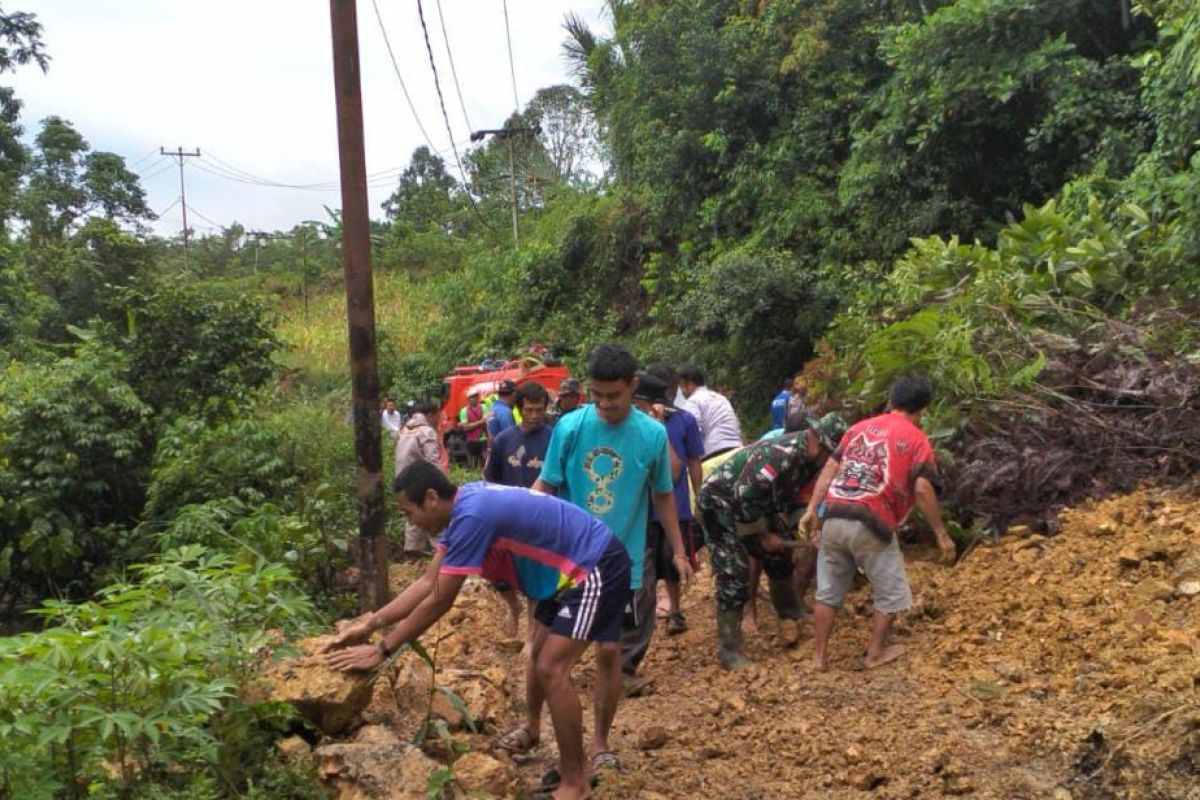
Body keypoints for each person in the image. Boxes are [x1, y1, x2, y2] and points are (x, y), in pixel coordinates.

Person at [325, 462, 629, 800]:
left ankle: (576, 783)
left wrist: (383, 649)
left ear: (430, 499)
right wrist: (369, 623)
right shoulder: (463, 510)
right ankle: (560, 753)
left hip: (593, 563)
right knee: (539, 659)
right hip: (561, 573)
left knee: (552, 668)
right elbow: (427, 583)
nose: (409, 521)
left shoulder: (472, 515)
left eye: (408, 512)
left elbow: (440, 600)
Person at [517, 344, 693, 774]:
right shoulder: (572, 428)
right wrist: (515, 527)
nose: (606, 404)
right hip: (566, 560)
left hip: (619, 562)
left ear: (633, 386)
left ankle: (599, 742)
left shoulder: (652, 435)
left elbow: (663, 496)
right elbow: (546, 485)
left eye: (614, 395)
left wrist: (680, 549)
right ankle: (531, 724)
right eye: (597, 395)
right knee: (541, 644)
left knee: (610, 652)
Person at [801, 374, 954, 671]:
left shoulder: (857, 429)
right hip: (871, 519)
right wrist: (941, 533)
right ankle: (874, 652)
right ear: (922, 409)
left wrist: (811, 510)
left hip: (833, 514)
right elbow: (923, 489)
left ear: (891, 401)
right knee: (891, 592)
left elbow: (831, 468)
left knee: (828, 593)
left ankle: (818, 657)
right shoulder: (917, 440)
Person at [698, 413, 847, 669]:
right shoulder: (781, 456)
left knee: (780, 554)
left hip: (759, 504)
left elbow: (784, 497)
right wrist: (763, 536)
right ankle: (730, 650)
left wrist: (801, 526)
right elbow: (742, 496)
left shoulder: (811, 460)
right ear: (817, 441)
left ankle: (789, 611)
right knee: (734, 572)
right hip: (720, 504)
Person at [484, 382, 553, 640]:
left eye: (539, 410)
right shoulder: (504, 441)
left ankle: (530, 634)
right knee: (499, 572)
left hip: (541, 518)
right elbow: (492, 479)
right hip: (508, 516)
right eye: (529, 410)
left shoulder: (553, 438)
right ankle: (513, 607)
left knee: (534, 576)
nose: (535, 415)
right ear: (520, 409)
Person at [643, 366, 705, 636]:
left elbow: (693, 461)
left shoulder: (685, 420)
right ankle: (643, 614)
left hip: (675, 503)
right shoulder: (636, 422)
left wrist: (698, 496)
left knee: (672, 561)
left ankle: (675, 610)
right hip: (643, 506)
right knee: (646, 560)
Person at [394, 400, 443, 559]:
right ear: (430, 415)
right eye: (438, 416)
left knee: (412, 516)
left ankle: (412, 554)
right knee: (434, 515)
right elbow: (432, 461)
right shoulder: (426, 432)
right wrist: (440, 483)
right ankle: (441, 553)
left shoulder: (406, 429)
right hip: (420, 480)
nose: (439, 420)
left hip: (403, 481)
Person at [678, 365, 743, 458]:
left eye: (682, 387)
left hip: (715, 452)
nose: (682, 392)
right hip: (737, 448)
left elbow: (694, 432)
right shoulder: (720, 398)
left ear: (690, 384)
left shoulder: (692, 402)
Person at [458, 388, 488, 469]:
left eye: (476, 396)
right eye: (472, 397)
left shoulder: (484, 407)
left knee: (485, 462)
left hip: (483, 439)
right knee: (473, 464)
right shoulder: (464, 411)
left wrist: (470, 425)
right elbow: (465, 428)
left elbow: (486, 421)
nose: (474, 398)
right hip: (471, 440)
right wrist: (480, 422)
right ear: (468, 399)